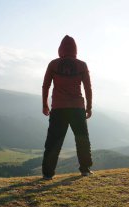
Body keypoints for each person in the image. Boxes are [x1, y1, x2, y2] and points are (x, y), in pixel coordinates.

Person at [41, 35, 93, 180]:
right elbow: (88, 88)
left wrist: (45, 104)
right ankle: (85, 169)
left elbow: (46, 86)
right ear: (75, 49)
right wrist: (89, 107)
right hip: (77, 108)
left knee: (53, 141)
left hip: (58, 108)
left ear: (60, 49)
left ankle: (47, 174)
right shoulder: (82, 65)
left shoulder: (53, 64)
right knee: (82, 139)